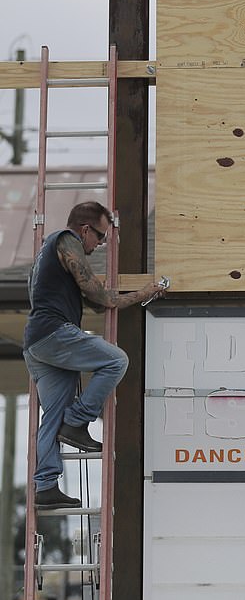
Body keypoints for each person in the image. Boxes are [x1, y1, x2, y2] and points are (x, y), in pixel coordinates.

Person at [23, 201, 166, 510]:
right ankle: (77, 421)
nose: (100, 244)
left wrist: (134, 295)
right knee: (116, 360)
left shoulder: (47, 255)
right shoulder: (66, 240)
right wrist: (144, 293)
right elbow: (99, 295)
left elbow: (100, 303)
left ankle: (46, 485)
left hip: (37, 343)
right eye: (99, 236)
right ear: (85, 229)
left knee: (52, 418)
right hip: (53, 333)